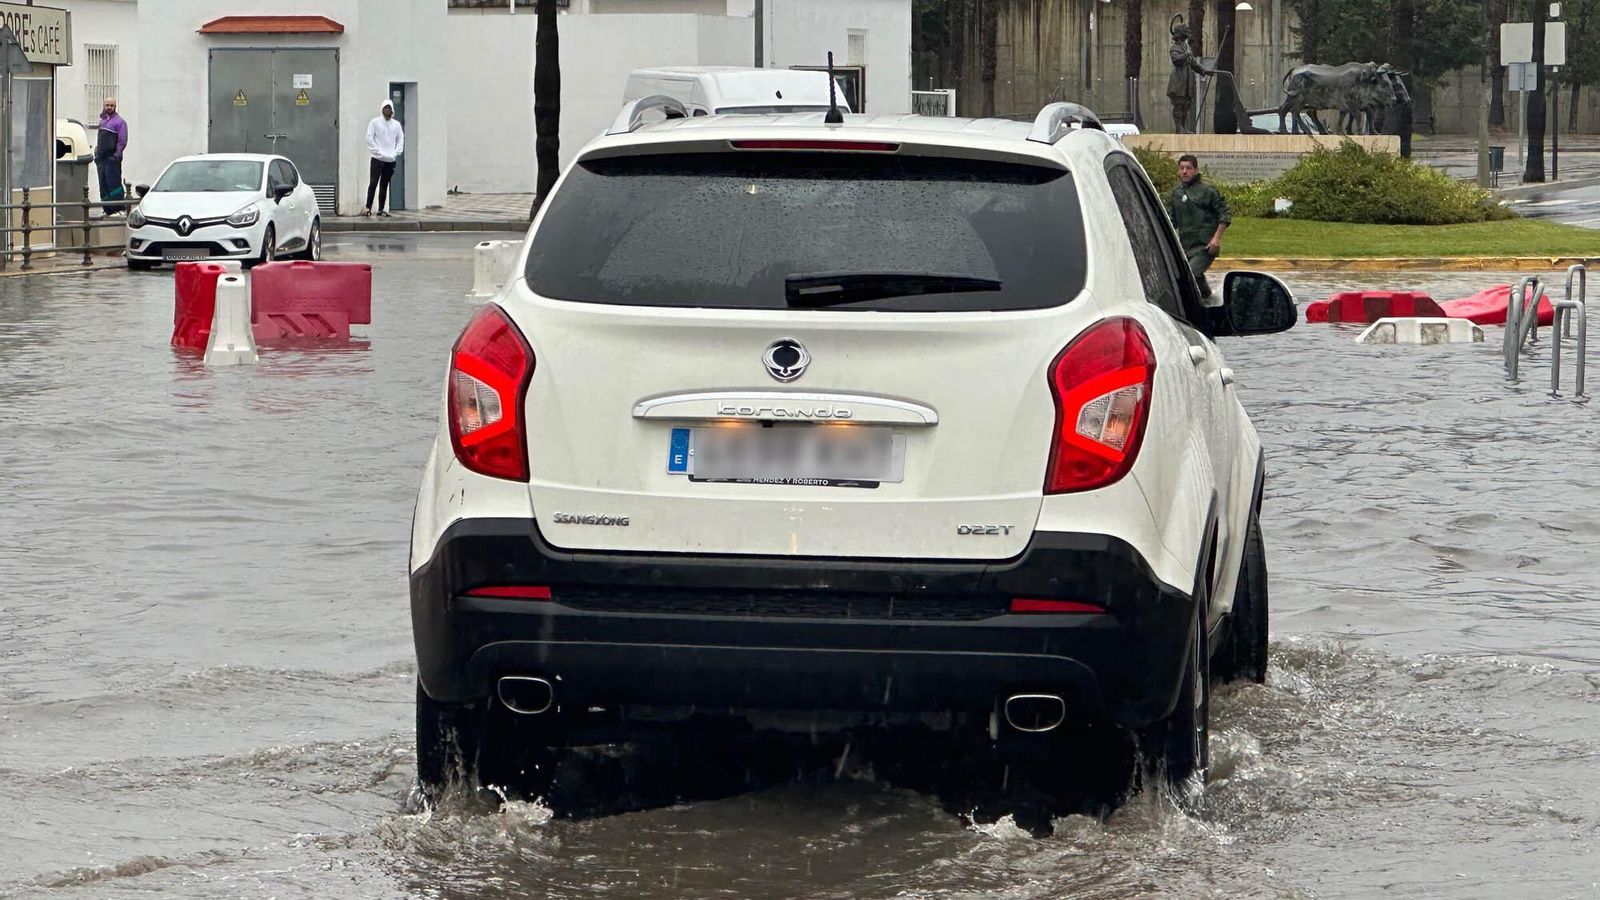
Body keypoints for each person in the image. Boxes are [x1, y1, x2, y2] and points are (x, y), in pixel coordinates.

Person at [1167, 154, 1231, 298]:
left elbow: (1225, 214)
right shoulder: (1176, 193)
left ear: (1196, 170)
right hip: (1184, 247)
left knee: (1192, 274)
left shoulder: (1208, 191)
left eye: (1188, 168)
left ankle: (1203, 299)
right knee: (1183, 277)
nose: (1184, 171)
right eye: (1181, 168)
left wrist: (1216, 239)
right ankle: (1206, 298)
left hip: (1205, 247)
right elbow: (1171, 220)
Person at [1166, 20, 1212, 134]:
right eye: (1185, 30)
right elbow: (1176, 60)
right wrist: (1186, 54)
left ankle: (1184, 127)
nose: (1188, 32)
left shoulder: (1187, 47)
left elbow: (1193, 63)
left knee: (1186, 105)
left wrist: (1203, 70)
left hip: (1188, 79)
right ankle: (1179, 127)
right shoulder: (1174, 47)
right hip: (1179, 79)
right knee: (1179, 104)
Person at [363, 100, 404, 217]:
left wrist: (395, 153)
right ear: (382, 109)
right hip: (377, 159)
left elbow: (400, 139)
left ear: (392, 110)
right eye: (385, 108)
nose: (387, 110)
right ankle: (368, 207)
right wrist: (377, 152)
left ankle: (381, 209)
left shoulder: (396, 125)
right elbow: (369, 138)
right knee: (373, 183)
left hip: (390, 160)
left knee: (384, 185)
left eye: (389, 108)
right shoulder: (375, 122)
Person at [94, 97, 129, 216]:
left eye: (111, 105)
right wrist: (97, 153)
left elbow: (122, 141)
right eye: (107, 105)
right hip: (101, 158)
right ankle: (107, 209)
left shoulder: (120, 122)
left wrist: (116, 155)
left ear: (115, 106)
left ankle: (118, 209)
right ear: (104, 106)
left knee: (113, 183)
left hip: (112, 158)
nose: (109, 107)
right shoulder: (102, 121)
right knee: (103, 184)